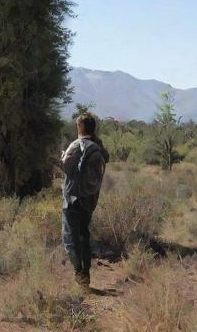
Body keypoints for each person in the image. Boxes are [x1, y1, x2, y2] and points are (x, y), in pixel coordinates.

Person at [61, 112, 110, 291]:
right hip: (89, 200)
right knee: (84, 236)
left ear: (81, 127)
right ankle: (86, 276)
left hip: (72, 199)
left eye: (77, 125)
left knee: (69, 238)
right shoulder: (98, 147)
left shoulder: (76, 145)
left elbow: (66, 167)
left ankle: (79, 274)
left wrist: (60, 158)